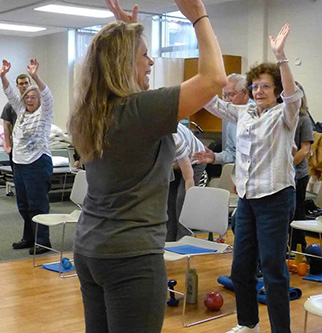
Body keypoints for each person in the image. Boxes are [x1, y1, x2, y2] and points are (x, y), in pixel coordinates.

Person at [68, 0, 226, 332]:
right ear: (125, 63)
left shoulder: (90, 111)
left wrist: (125, 36)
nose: (151, 62)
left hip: (90, 250)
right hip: (131, 258)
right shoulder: (141, 111)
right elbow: (214, 79)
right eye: (143, 55)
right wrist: (198, 16)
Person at [204, 24, 302, 333]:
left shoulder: (285, 115)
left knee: (273, 269)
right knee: (241, 268)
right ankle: (248, 324)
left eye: (265, 86)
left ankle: (280, 330)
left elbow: (292, 95)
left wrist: (280, 56)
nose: (259, 91)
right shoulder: (244, 112)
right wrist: (211, 55)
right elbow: (213, 102)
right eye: (255, 86)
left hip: (275, 198)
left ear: (275, 91)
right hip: (246, 199)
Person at [1, 59, 53, 255]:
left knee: (37, 204)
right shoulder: (20, 110)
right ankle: (29, 237)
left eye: (33, 97)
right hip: (19, 164)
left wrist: (35, 77)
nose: (29, 100)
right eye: (27, 97)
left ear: (39, 100)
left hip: (37, 163)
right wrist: (3, 76)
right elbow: (9, 93)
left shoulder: (44, 114)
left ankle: (42, 241)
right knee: (23, 204)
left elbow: (47, 95)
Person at [195, 73, 251, 165]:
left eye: (231, 95)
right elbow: (232, 154)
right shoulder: (231, 123)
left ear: (245, 92)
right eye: (225, 96)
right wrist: (215, 157)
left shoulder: (255, 111)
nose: (228, 100)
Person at [167, 122, 206, 241]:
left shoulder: (174, 139)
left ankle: (184, 240)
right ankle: (169, 241)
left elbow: (188, 177)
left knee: (182, 200)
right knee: (169, 201)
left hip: (194, 161)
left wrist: (189, 201)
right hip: (174, 165)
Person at [289, 81, 314, 251]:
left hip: (298, 173)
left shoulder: (304, 120)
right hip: (281, 175)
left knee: (297, 211)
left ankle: (299, 248)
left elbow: (305, 150)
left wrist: (287, 165)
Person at [1, 73, 31, 168]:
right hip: (16, 146)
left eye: (26, 83)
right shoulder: (10, 105)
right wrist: (8, 145)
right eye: (21, 84)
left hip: (31, 146)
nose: (24, 86)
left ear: (30, 84)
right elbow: (6, 125)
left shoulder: (35, 104)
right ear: (17, 86)